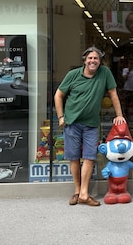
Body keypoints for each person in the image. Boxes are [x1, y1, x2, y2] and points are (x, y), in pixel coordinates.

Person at [54, 46, 126, 207]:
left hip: (91, 124)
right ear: (85, 60)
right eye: (90, 58)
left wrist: (119, 115)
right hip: (72, 122)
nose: (93, 61)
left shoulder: (105, 73)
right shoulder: (73, 75)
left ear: (100, 62)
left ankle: (84, 193)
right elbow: (58, 95)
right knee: (74, 158)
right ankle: (78, 191)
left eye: (96, 58)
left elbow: (113, 94)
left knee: (90, 157)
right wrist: (60, 117)